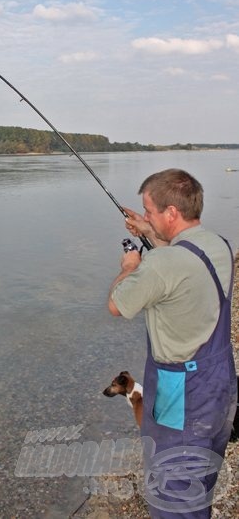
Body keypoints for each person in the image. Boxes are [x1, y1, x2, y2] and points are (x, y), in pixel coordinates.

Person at [108, 168, 237, 518]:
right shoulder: (218, 244)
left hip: (181, 393)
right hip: (220, 383)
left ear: (171, 213)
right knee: (200, 480)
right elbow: (183, 254)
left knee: (173, 493)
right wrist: (151, 231)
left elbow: (117, 304)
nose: (144, 216)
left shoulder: (160, 263)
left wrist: (131, 265)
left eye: (149, 211)